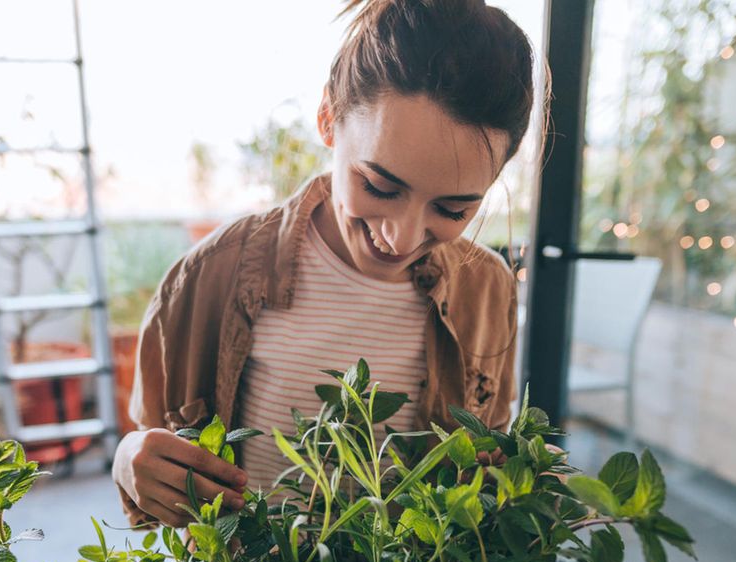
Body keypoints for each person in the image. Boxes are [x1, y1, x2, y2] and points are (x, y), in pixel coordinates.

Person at [114, 0, 538, 527]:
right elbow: (152, 460)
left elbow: (489, 468)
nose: (401, 237)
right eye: (380, 186)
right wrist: (131, 459)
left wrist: (512, 478)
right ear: (328, 119)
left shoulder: (487, 290)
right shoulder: (208, 277)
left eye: (454, 208)